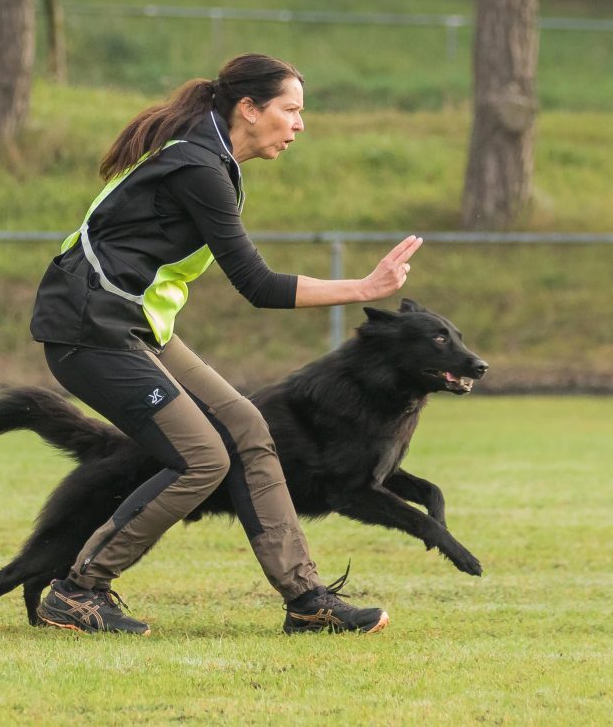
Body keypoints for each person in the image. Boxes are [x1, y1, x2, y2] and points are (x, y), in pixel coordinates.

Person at [29, 53, 423, 636]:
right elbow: (258, 285)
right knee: (204, 458)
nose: (299, 124)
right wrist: (364, 288)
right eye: (290, 110)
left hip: (131, 324)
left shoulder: (208, 158)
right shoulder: (198, 167)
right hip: (89, 330)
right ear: (248, 108)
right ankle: (78, 590)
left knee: (246, 426)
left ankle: (306, 599)